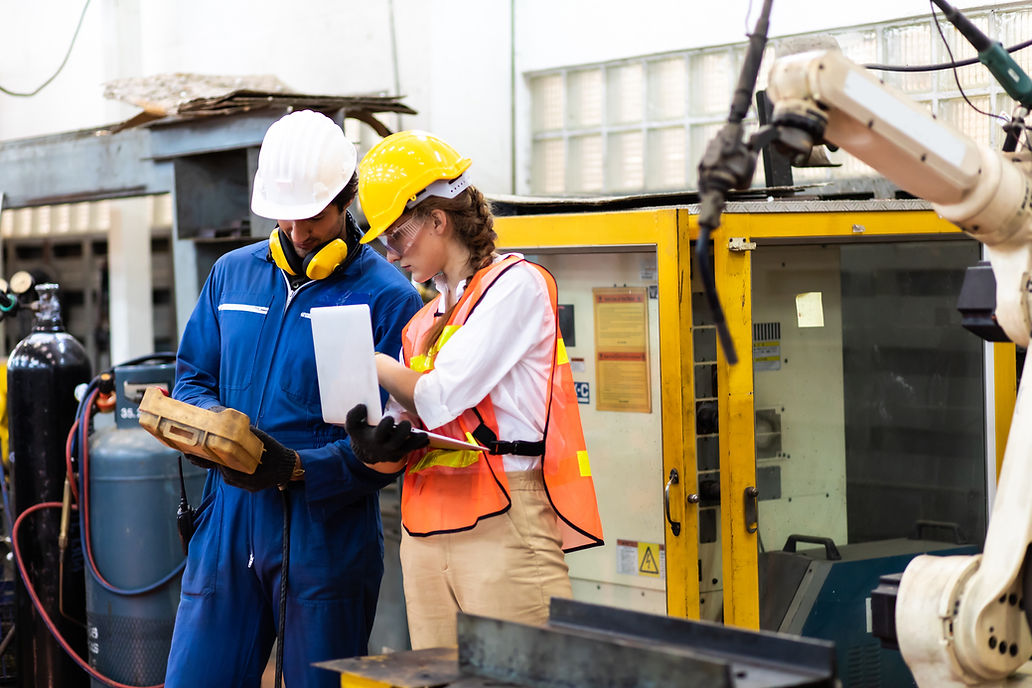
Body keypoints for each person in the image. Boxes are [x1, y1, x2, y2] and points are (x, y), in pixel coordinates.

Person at [164, 110, 425, 687]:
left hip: (326, 531)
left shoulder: (388, 298)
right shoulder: (232, 276)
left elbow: (392, 443)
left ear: (345, 200)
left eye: (314, 216)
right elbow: (192, 379)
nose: (299, 233)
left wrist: (300, 467)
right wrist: (219, 438)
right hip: (227, 519)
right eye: (287, 216)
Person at [345, 130, 605, 649]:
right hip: (424, 531)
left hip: (503, 523)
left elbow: (439, 396)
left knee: (522, 678)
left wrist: (368, 362)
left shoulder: (517, 286)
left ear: (438, 219)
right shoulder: (422, 322)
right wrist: (378, 438)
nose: (392, 257)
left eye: (397, 237)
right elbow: (410, 410)